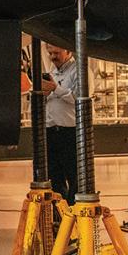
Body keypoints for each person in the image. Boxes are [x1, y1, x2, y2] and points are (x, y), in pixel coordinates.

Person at [43, 45, 78, 204]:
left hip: (70, 133)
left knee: (74, 176)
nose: (53, 56)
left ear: (68, 51)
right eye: (50, 53)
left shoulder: (78, 71)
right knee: (55, 176)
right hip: (51, 132)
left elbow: (79, 99)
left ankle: (73, 215)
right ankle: (60, 215)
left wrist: (56, 89)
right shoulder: (52, 72)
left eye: (57, 53)